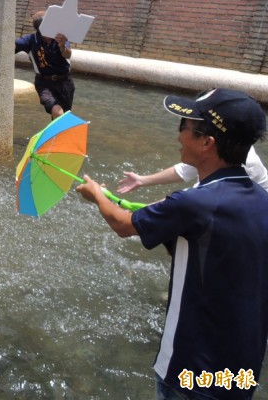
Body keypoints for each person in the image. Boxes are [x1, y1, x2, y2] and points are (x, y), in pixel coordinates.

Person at [77, 88, 268, 400]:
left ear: (207, 143)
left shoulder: (194, 204)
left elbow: (122, 225)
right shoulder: (261, 200)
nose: (179, 135)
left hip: (188, 370)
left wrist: (96, 193)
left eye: (185, 128)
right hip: (240, 370)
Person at [117, 146, 268, 194]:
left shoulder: (243, 164)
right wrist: (142, 180)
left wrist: (144, 213)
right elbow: (185, 170)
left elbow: (193, 199)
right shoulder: (223, 147)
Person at [15, 10, 73, 119]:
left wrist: (62, 46)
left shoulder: (60, 37)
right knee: (58, 113)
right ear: (40, 29)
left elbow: (68, 55)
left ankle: (57, 135)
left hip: (65, 82)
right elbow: (11, 46)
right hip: (44, 83)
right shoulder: (30, 40)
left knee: (64, 115)